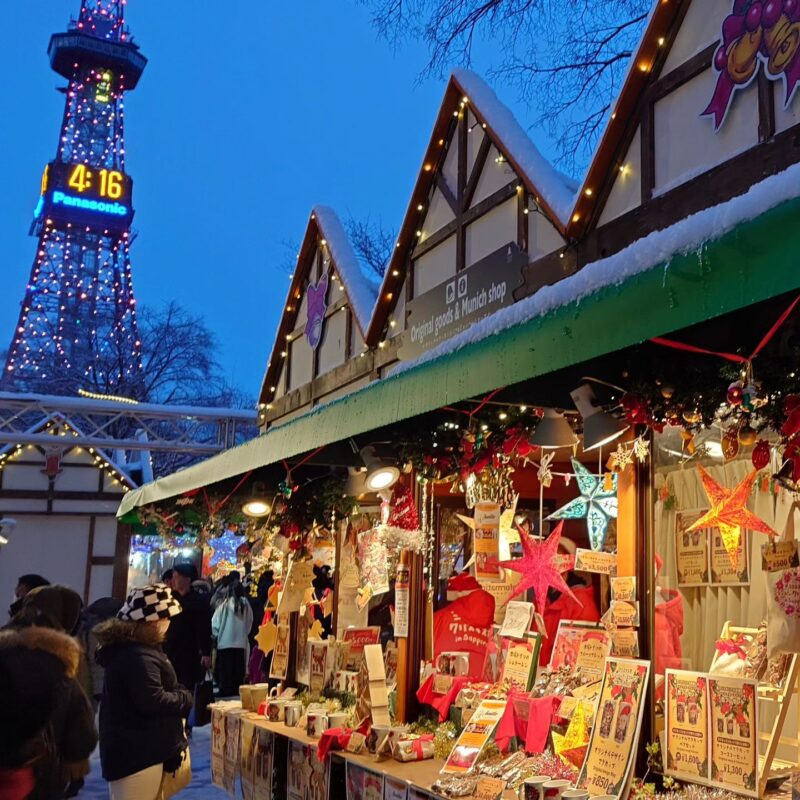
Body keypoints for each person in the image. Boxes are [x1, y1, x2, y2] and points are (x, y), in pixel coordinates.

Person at [95, 585, 193, 800]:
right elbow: (153, 700)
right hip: (137, 753)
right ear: (153, 621)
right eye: (166, 618)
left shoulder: (134, 650)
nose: (168, 624)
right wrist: (184, 697)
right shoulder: (137, 656)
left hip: (139, 748)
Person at [1, 591, 97, 799]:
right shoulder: (59, 667)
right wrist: (75, 767)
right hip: (39, 772)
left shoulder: (5, 652)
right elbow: (80, 725)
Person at [163, 563, 212, 711]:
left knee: (188, 685)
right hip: (169, 649)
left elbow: (204, 628)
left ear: (187, 579)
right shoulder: (169, 599)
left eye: (177, 576)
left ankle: (186, 719)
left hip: (190, 651)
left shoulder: (199, 601)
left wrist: (206, 652)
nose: (173, 580)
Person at [75, 597, 123, 713]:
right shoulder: (100, 633)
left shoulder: (83, 629)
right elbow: (98, 665)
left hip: (88, 687)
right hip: (101, 690)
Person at [211, 571, 253, 697]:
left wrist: (216, 635)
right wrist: (245, 633)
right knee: (237, 670)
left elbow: (215, 623)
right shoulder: (246, 605)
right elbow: (250, 621)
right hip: (240, 643)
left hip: (225, 642)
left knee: (226, 671)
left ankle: (225, 690)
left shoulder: (224, 605)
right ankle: (237, 690)